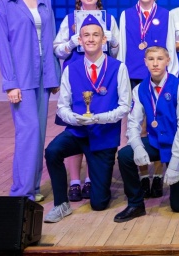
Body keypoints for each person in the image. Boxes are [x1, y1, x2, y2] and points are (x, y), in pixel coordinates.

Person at [44, 15, 131, 223]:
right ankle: (61, 204)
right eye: (86, 35)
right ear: (80, 40)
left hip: (104, 136)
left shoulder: (118, 67)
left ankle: (99, 188)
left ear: (104, 39)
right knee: (52, 151)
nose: (91, 39)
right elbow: (62, 107)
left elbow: (125, 106)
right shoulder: (71, 69)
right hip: (78, 132)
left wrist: (99, 118)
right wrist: (74, 119)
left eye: (95, 35)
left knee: (99, 203)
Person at [0, 0, 61, 202]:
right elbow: (2, 46)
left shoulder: (44, 1)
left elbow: (51, 39)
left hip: (43, 77)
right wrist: (10, 83)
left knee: (39, 134)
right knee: (28, 132)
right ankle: (20, 193)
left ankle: (33, 187)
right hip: (21, 79)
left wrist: (54, 76)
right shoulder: (4, 4)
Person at [53, 0, 120, 203]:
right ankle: (74, 181)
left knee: (96, 128)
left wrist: (111, 40)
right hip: (77, 76)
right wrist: (71, 43)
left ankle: (91, 178)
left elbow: (117, 50)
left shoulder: (109, 19)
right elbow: (57, 50)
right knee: (74, 128)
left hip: (100, 78)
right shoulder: (69, 20)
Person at [114, 46, 179, 222]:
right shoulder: (139, 89)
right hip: (156, 142)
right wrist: (137, 147)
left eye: (160, 59)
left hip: (178, 146)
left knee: (178, 206)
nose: (155, 63)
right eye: (151, 59)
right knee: (125, 155)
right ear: (145, 62)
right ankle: (135, 204)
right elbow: (133, 123)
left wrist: (175, 161)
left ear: (168, 61)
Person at [118, 0, 178, 197]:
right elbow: (122, 49)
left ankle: (159, 175)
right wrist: (122, 78)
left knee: (162, 124)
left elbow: (170, 46)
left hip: (160, 77)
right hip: (135, 76)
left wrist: (171, 76)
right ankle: (143, 175)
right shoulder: (126, 15)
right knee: (137, 126)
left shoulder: (166, 14)